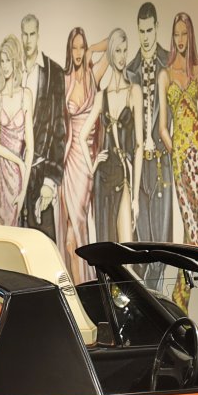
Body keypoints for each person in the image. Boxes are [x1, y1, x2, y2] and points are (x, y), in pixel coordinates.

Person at [161, 10, 198, 309]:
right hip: (180, 155)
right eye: (176, 34)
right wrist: (176, 150)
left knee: (192, 227)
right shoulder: (165, 75)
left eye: (184, 34)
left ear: (190, 36)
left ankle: (181, 302)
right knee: (192, 228)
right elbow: (162, 128)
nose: (180, 39)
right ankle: (182, 301)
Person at [125, 2, 172, 289]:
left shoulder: (168, 63)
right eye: (141, 31)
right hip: (139, 162)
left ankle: (159, 297)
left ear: (157, 27)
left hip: (162, 162)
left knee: (162, 238)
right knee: (141, 236)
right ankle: (147, 297)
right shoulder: (130, 70)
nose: (145, 37)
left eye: (149, 30)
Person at [18, 14, 66, 244]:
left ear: (38, 35)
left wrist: (50, 181)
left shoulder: (54, 72)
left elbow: (59, 129)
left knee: (44, 247)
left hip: (40, 175)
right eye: (24, 34)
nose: (28, 40)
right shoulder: (13, 71)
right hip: (15, 176)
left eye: (32, 34)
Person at [90, 28, 140, 246]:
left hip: (123, 173)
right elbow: (81, 135)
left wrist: (136, 198)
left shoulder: (134, 91)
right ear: (110, 53)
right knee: (105, 246)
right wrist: (93, 164)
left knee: (127, 248)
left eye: (124, 50)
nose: (122, 56)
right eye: (117, 51)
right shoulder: (102, 96)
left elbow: (139, 146)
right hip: (102, 177)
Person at [58, 27, 100, 281]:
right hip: (68, 161)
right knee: (67, 240)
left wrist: (93, 50)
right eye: (74, 47)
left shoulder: (92, 76)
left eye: (82, 47)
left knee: (76, 232)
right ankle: (76, 290)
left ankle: (84, 288)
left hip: (84, 163)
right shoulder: (64, 80)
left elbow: (113, 43)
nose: (77, 52)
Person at [0, 35, 32, 227]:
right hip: (1, 172)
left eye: (8, 60)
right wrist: (19, 162)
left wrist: (23, 190)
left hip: (17, 178)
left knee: (14, 228)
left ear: (15, 61)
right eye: (2, 60)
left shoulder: (26, 95)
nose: (5, 65)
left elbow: (30, 148)